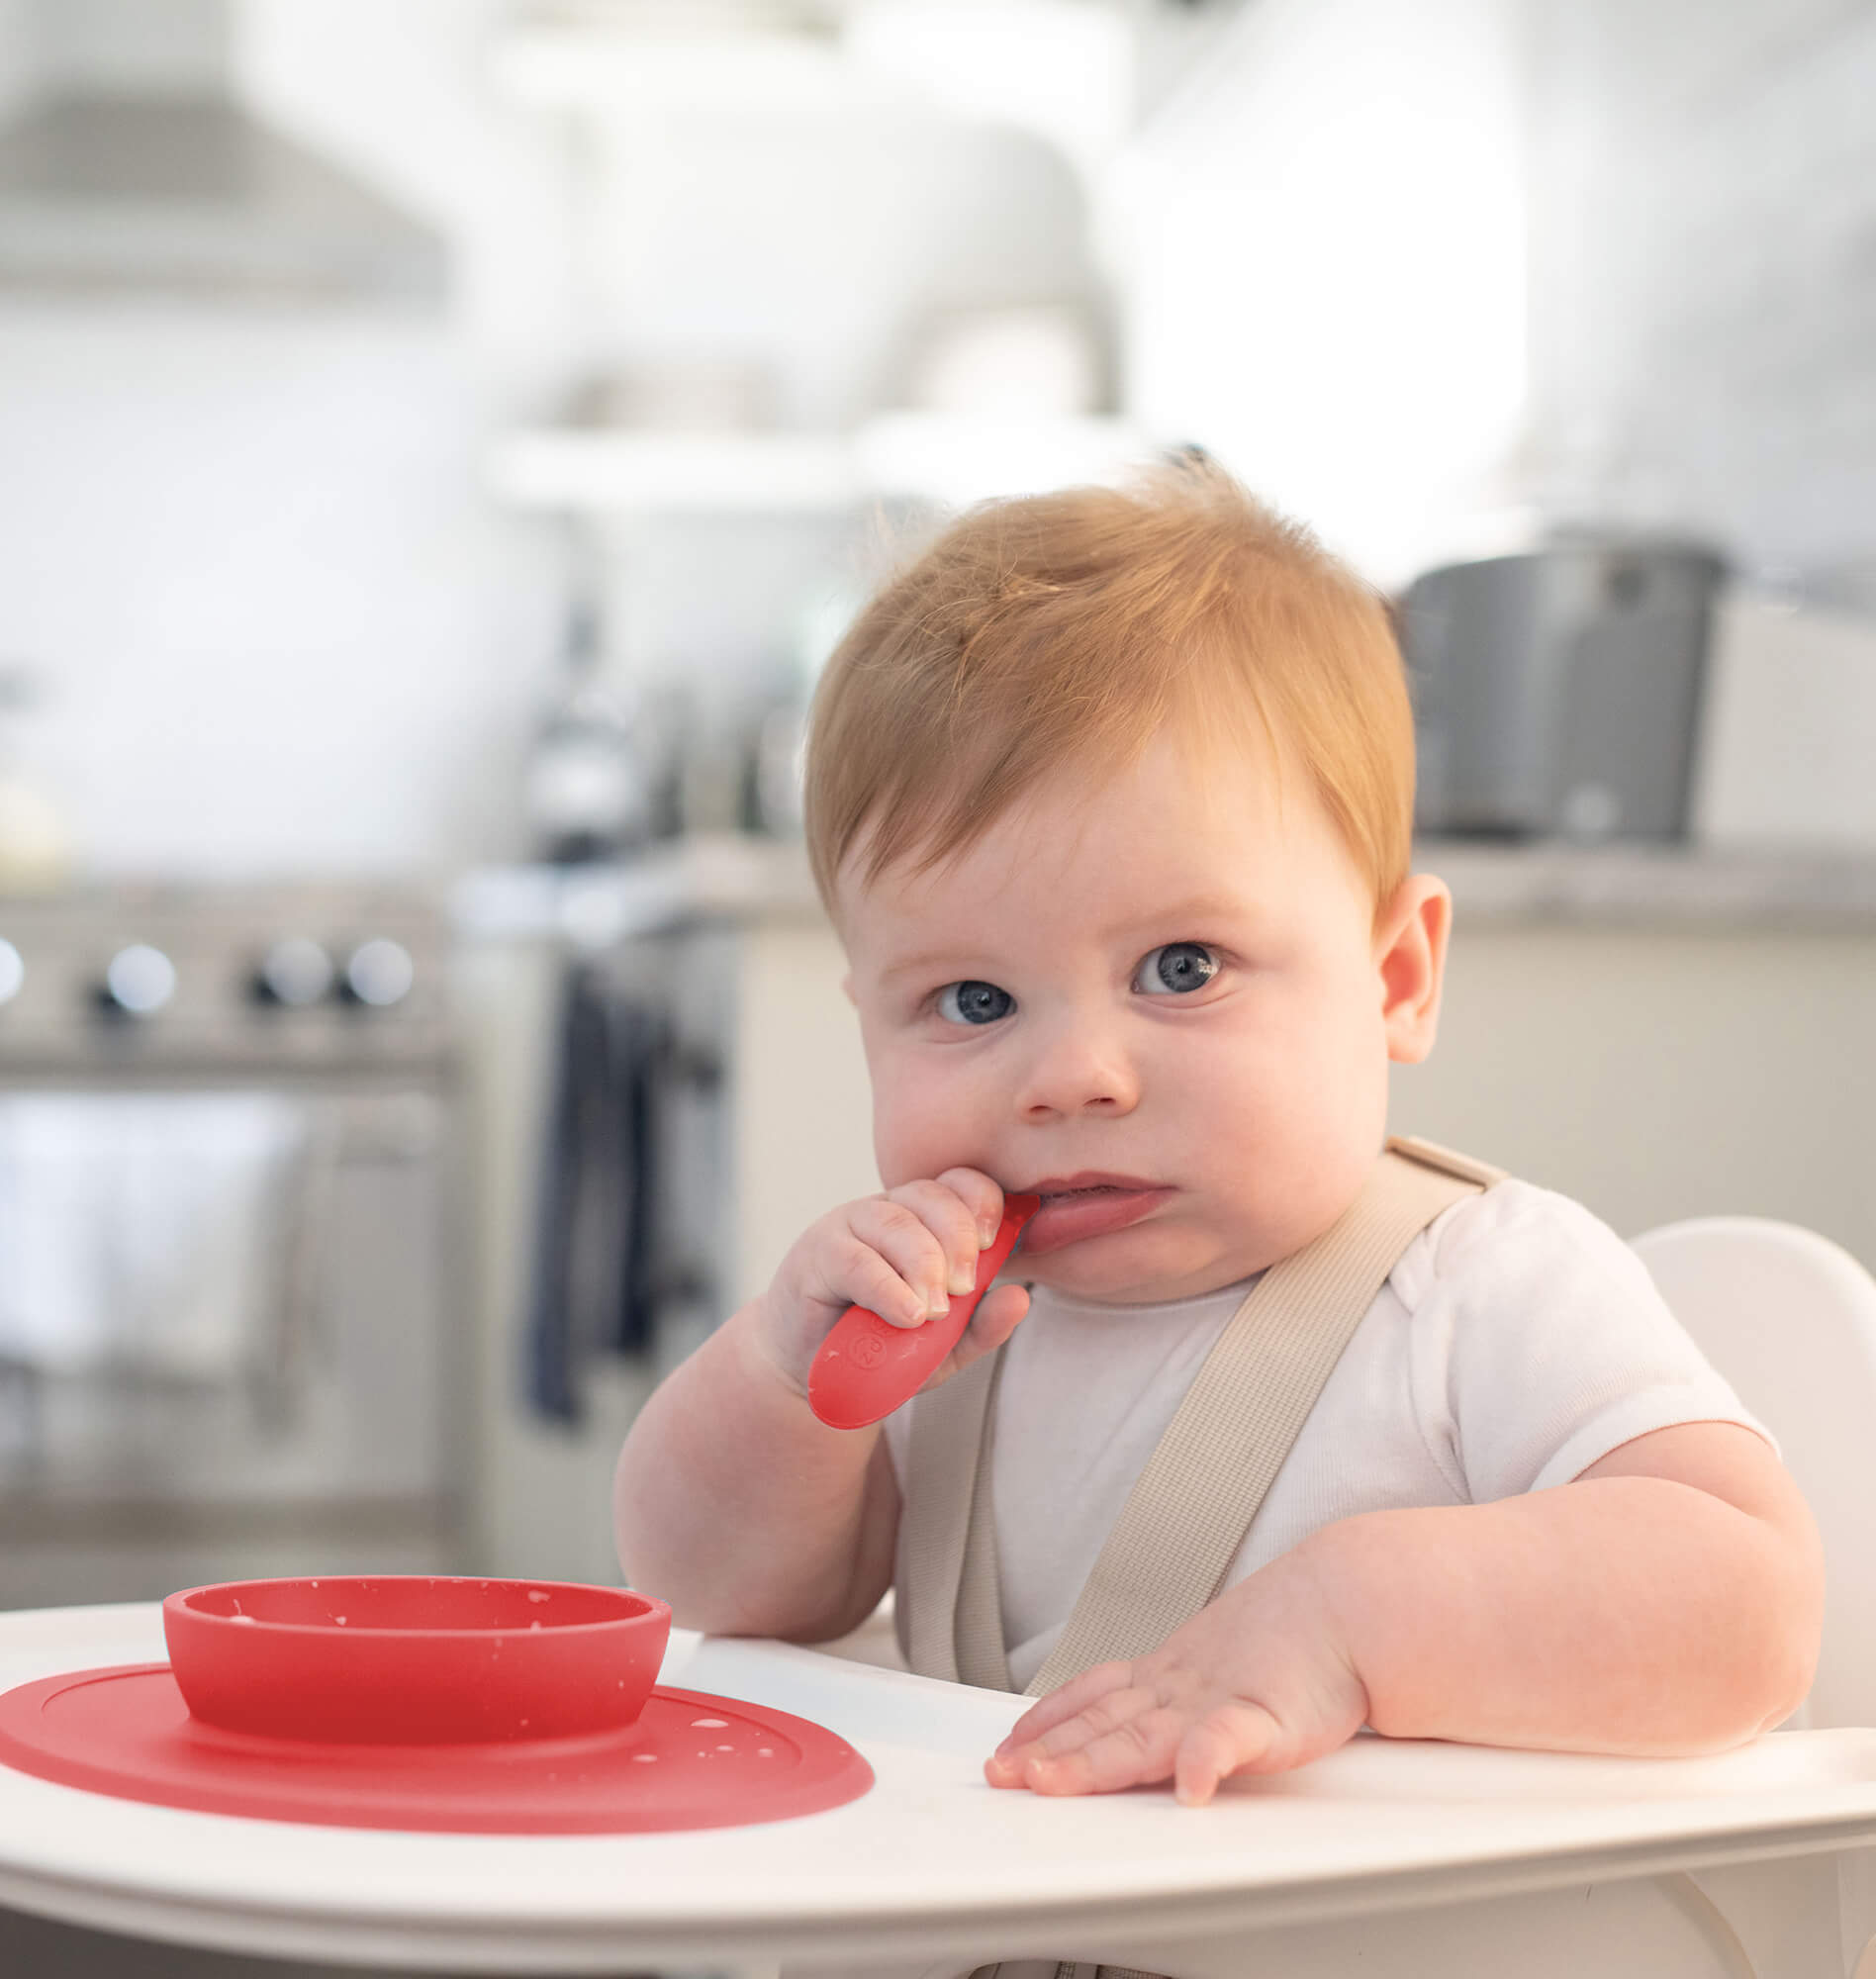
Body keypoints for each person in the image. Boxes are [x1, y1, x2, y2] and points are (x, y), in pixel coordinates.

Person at [612, 456, 1823, 1815]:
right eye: (973, 1001)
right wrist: (783, 1379)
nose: (1071, 1077)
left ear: (1396, 979)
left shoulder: (1476, 1289)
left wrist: (1355, 1620)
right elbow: (717, 1595)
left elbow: (1752, 1608)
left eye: (1181, 968)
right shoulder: (947, 1333)